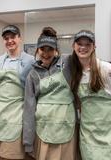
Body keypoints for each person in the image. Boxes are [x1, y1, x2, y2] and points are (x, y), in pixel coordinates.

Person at [0, 25, 35, 160]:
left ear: (19, 38)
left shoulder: (30, 61)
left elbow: (33, 90)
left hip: (15, 115)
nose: (9, 40)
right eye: (6, 38)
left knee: (9, 157)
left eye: (13, 37)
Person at [23, 27, 76, 160]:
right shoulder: (32, 74)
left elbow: (86, 61)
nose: (46, 54)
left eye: (50, 49)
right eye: (42, 49)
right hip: (43, 129)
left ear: (56, 50)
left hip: (66, 127)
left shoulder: (67, 64)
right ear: (37, 50)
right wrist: (28, 142)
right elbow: (29, 109)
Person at [70, 30, 111, 160]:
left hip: (107, 134)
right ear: (73, 46)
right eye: (79, 44)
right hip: (87, 134)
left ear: (94, 47)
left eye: (87, 44)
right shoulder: (75, 73)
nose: (83, 47)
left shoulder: (105, 68)